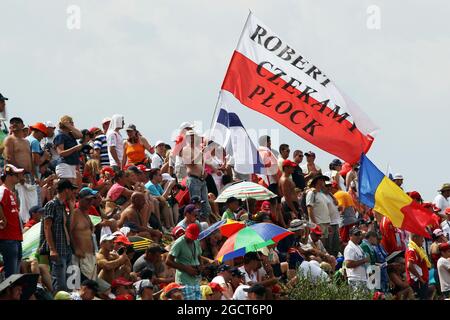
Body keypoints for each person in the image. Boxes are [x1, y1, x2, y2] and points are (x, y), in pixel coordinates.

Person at [40, 179, 78, 292]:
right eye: (72, 190)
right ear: (66, 190)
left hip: (66, 248)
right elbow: (47, 227)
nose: (73, 193)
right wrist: (52, 249)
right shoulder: (51, 205)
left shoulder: (62, 206)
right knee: (60, 285)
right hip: (58, 249)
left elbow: (69, 226)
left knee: (70, 285)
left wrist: (71, 209)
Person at [166, 223, 214, 299]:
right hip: (184, 281)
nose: (190, 239)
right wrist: (186, 269)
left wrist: (201, 266)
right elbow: (168, 261)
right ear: (186, 232)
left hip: (196, 280)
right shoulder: (179, 243)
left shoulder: (196, 241)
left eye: (193, 238)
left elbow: (198, 256)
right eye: (189, 236)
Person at [0, 165, 25, 278]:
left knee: (14, 276)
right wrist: (3, 219)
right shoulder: (2, 190)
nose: (20, 176)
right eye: (16, 174)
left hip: (15, 238)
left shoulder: (10, 192)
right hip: (8, 238)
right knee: (11, 276)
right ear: (9, 176)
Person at [70, 188, 98, 281]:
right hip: (79, 256)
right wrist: (76, 249)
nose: (90, 202)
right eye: (87, 200)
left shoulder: (86, 215)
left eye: (92, 199)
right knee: (75, 286)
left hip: (90, 256)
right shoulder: (74, 214)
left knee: (90, 287)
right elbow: (69, 231)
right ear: (80, 199)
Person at [182, 130, 212, 217]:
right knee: (196, 205)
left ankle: (205, 223)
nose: (192, 138)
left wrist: (204, 172)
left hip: (201, 180)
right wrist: (201, 154)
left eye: (194, 136)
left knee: (205, 206)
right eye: (191, 136)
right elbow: (191, 163)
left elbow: (200, 164)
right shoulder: (186, 149)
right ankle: (197, 223)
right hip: (194, 180)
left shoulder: (196, 149)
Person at [54, 116, 83, 181]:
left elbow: (80, 135)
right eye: (71, 122)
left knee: (73, 188)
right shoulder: (60, 136)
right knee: (67, 188)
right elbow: (61, 153)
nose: (73, 124)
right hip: (65, 165)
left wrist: (70, 127)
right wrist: (75, 148)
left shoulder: (70, 134)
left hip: (71, 165)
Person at [305, 175, 331, 245]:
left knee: (324, 245)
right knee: (318, 243)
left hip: (325, 223)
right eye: (322, 180)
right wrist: (315, 224)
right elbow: (309, 209)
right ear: (317, 181)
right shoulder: (312, 193)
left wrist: (328, 223)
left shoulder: (321, 194)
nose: (323, 182)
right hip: (318, 223)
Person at [406, 234, 433, 300]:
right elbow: (409, 266)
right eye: (421, 238)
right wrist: (420, 278)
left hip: (422, 281)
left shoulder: (418, 248)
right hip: (418, 282)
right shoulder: (411, 250)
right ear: (415, 238)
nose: (423, 240)